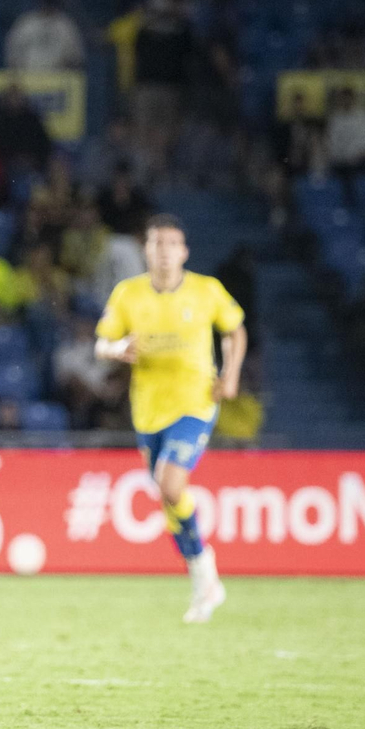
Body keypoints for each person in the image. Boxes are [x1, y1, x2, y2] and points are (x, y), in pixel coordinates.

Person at [95, 214, 246, 624]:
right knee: (168, 497)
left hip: (195, 402)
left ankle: (203, 569)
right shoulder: (128, 294)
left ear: (184, 251)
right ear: (146, 250)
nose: (164, 253)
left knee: (171, 483)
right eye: (156, 245)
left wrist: (230, 375)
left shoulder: (206, 291)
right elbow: (101, 344)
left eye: (172, 245)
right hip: (148, 409)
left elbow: (235, 331)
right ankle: (202, 572)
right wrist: (117, 349)